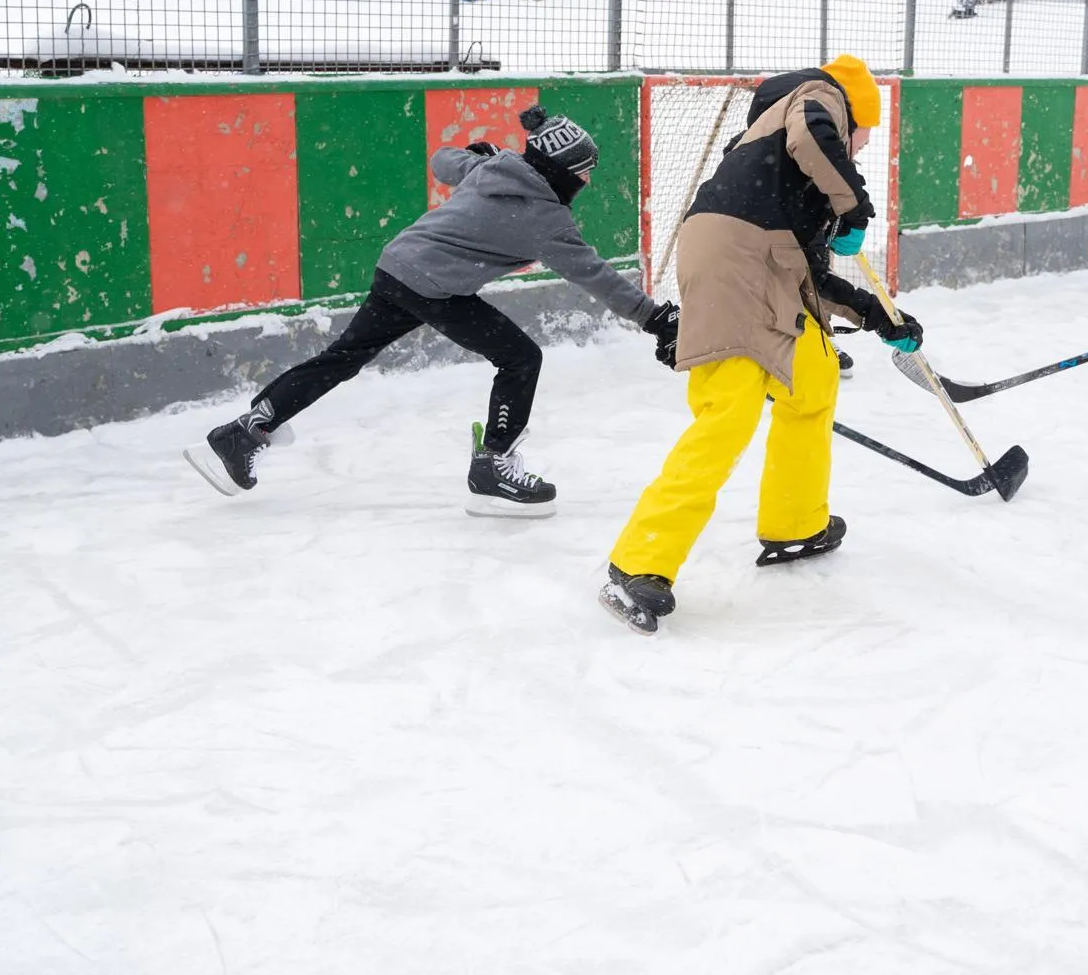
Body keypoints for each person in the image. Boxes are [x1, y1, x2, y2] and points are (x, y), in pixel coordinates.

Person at [185, 106, 680, 518]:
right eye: (584, 171)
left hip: (397, 266)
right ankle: (493, 466)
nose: (588, 180)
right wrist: (654, 319)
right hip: (434, 288)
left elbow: (443, 162)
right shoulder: (545, 219)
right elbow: (595, 275)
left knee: (342, 357)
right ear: (561, 169)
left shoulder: (494, 169)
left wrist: (475, 154)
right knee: (520, 358)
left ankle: (247, 430)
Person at [599, 55, 924, 635]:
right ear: (853, 113)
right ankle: (639, 561)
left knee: (814, 380)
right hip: (735, 259)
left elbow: (809, 279)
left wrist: (877, 315)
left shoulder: (786, 178)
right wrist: (855, 203)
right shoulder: (818, 95)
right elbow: (816, 135)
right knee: (730, 412)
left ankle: (796, 523)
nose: (860, 150)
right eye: (862, 138)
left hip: (761, 259)